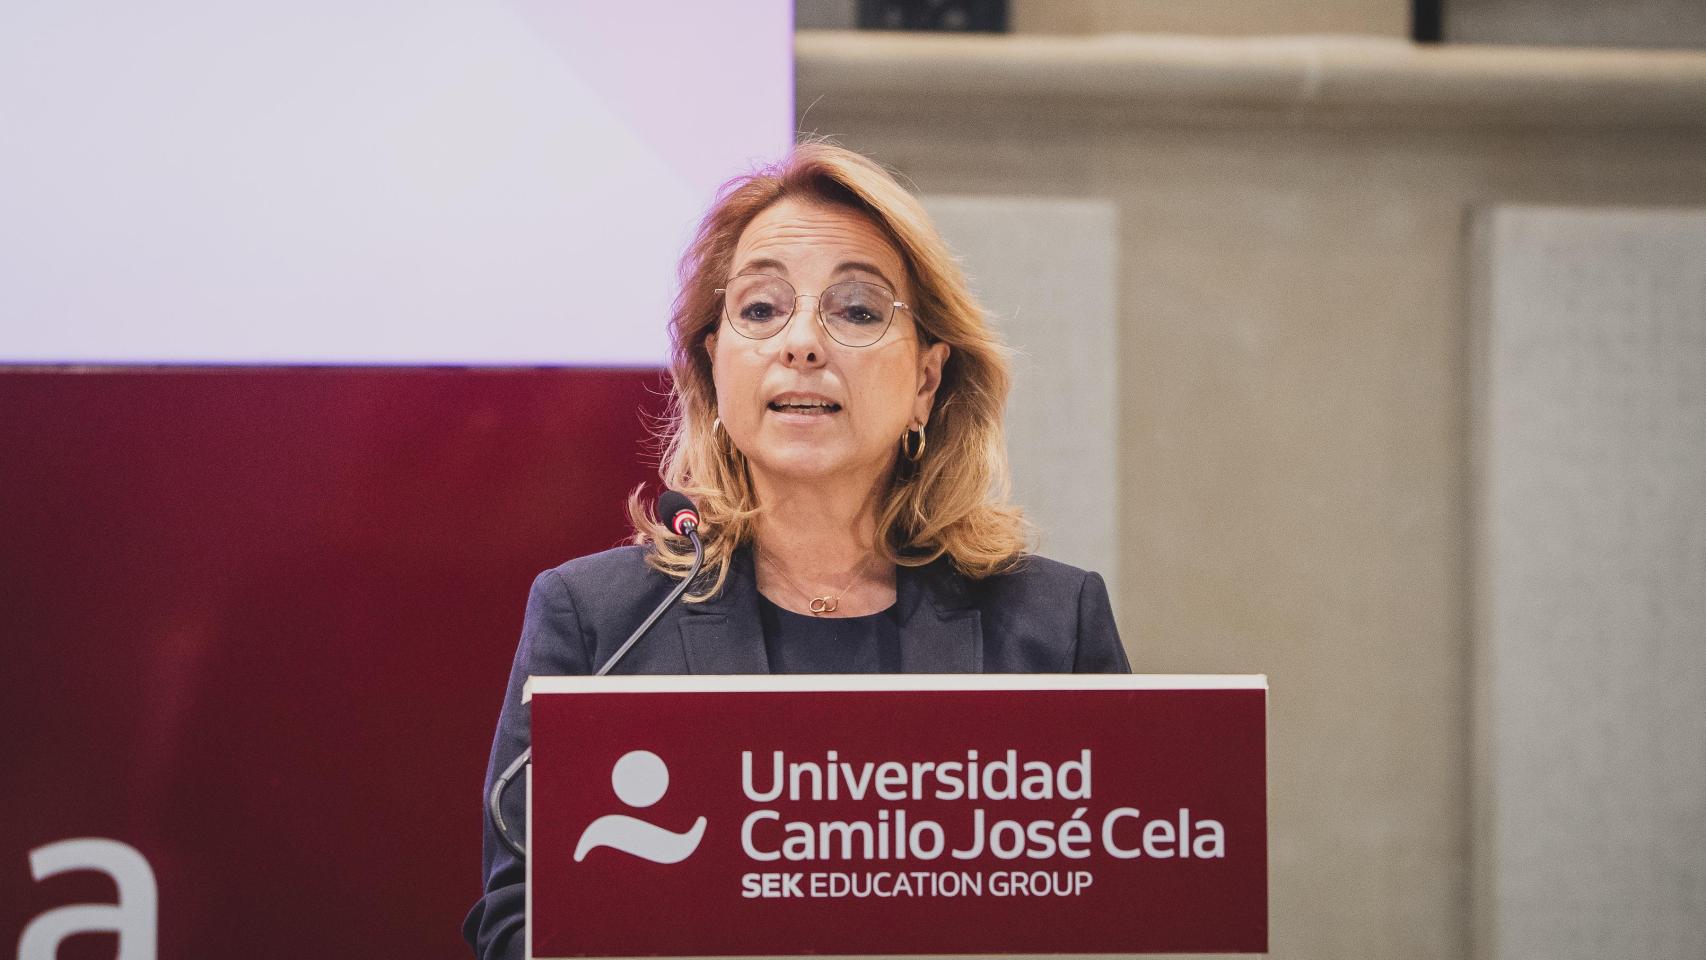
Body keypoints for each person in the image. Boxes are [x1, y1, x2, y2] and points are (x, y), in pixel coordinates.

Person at [462, 143, 1130, 960]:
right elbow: (516, 921)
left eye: (855, 310)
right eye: (760, 308)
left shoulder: (1052, 628)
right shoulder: (601, 622)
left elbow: (1110, 916)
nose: (802, 343)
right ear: (713, 363)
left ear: (926, 380)